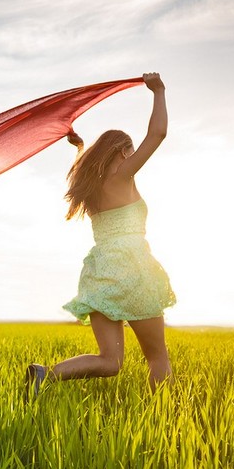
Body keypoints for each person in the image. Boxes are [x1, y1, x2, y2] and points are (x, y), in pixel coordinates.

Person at [27, 72, 176, 396]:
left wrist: (78, 146)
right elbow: (159, 133)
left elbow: (85, 165)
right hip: (134, 269)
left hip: (100, 272)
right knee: (157, 358)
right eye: (131, 150)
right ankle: (163, 418)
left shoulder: (89, 189)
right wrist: (158, 91)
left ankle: (45, 376)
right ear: (122, 151)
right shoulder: (123, 175)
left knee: (110, 361)